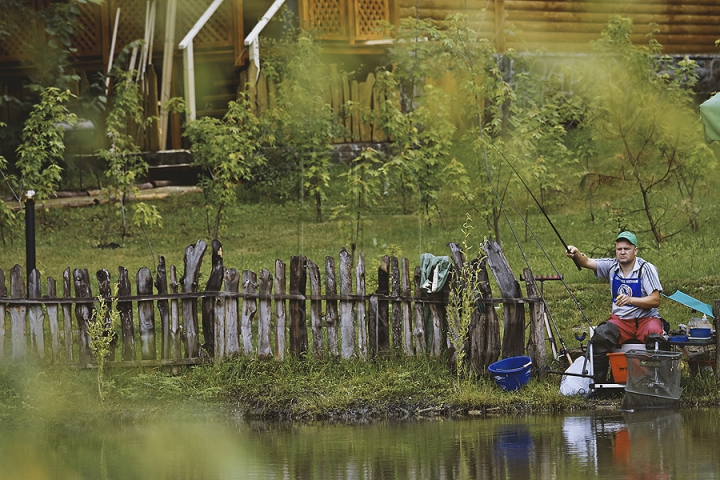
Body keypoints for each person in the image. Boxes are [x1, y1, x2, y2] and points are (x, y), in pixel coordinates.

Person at [565, 231, 664, 383]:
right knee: (600, 336)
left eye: (627, 248)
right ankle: (599, 384)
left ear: (635, 250)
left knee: (657, 337)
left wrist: (631, 299)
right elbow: (586, 262)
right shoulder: (611, 266)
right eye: (619, 249)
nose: (622, 252)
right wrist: (576, 253)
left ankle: (654, 382)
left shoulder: (646, 268)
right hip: (621, 321)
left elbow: (655, 300)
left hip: (646, 319)